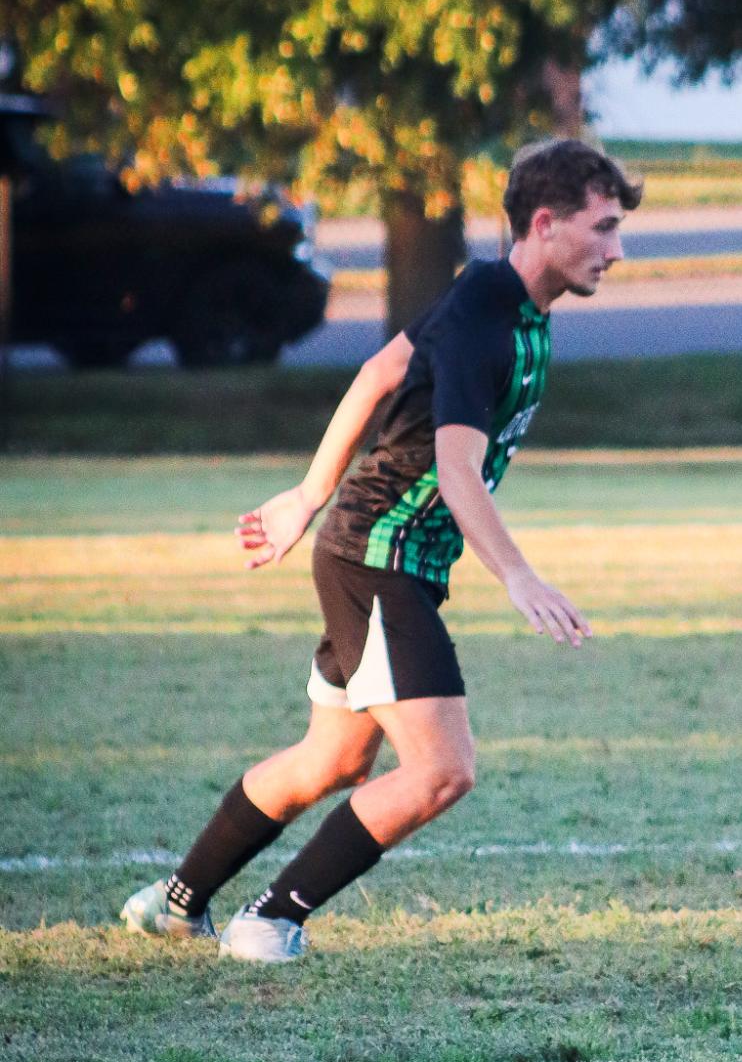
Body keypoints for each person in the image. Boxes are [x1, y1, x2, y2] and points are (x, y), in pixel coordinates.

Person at [121, 137, 641, 962]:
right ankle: (270, 918)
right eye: (604, 227)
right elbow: (457, 472)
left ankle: (178, 902)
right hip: (382, 556)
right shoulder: (483, 320)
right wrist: (518, 574)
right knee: (441, 770)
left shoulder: (494, 295)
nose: (617, 249)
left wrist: (306, 496)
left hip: (376, 548)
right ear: (545, 223)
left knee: (332, 757)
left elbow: (377, 371)